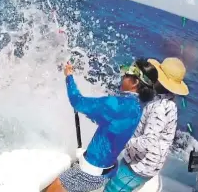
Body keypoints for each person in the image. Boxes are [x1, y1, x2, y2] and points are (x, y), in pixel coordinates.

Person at [45, 58, 158, 192]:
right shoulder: (140, 106)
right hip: (107, 171)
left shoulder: (117, 105)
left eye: (127, 75)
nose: (123, 76)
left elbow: (77, 101)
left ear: (135, 82)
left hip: (88, 173)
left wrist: (69, 76)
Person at [104, 57, 189, 192]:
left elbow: (148, 141)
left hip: (139, 167)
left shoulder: (159, 108)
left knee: (112, 190)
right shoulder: (170, 102)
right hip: (147, 164)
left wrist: (124, 141)